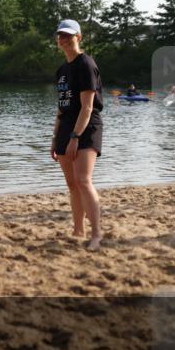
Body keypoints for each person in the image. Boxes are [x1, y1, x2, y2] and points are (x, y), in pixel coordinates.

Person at [50, 19, 103, 250]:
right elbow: (62, 108)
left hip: (86, 127)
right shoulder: (62, 70)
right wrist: (55, 138)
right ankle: (78, 230)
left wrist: (74, 137)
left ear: (78, 37)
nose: (63, 40)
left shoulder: (86, 64)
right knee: (72, 184)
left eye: (68, 36)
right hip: (66, 128)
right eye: (60, 36)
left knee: (83, 180)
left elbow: (87, 107)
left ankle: (96, 235)